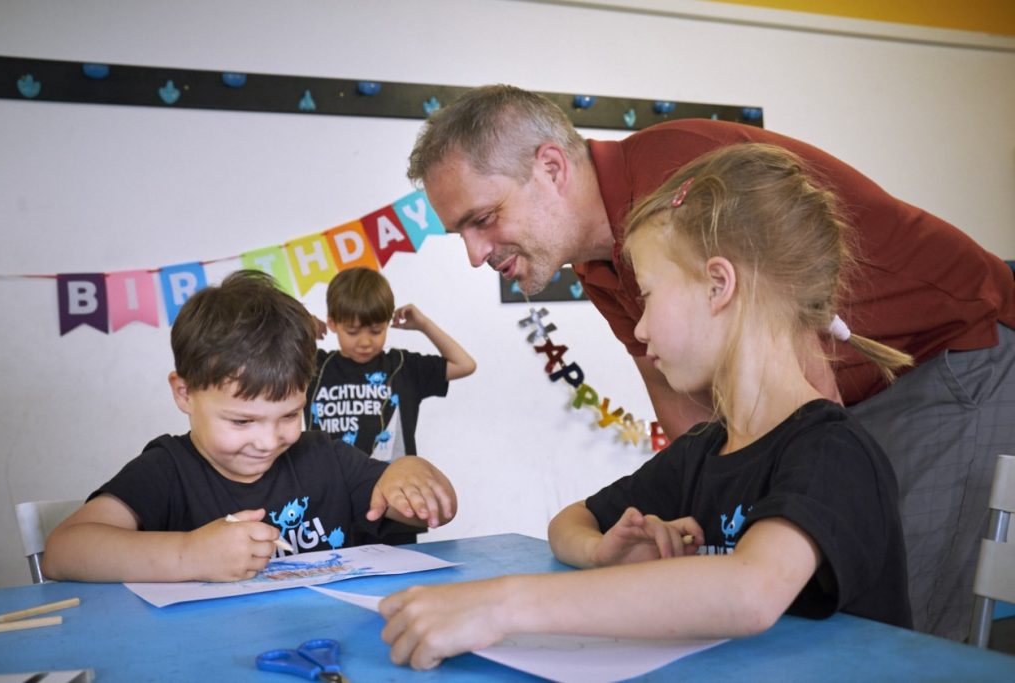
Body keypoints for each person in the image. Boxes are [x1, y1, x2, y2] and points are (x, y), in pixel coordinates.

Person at [406, 84, 1015, 640]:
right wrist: (678, 512)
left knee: (908, 624)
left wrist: (511, 606)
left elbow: (811, 399)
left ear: (551, 167)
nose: (475, 253)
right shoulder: (599, 265)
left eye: (482, 220)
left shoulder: (681, 181)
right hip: (858, 397)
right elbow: (687, 420)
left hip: (951, 348)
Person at [380, 144, 912, 669]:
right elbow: (572, 520)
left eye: (650, 294)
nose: (638, 327)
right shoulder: (706, 450)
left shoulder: (832, 451)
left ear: (718, 286)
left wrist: (504, 605)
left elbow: (752, 589)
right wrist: (602, 551)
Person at [42, 270, 457, 583]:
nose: (268, 440)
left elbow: (418, 516)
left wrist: (412, 478)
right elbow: (61, 552)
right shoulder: (167, 470)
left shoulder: (325, 456)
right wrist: (188, 555)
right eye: (242, 420)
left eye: (290, 415)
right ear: (185, 393)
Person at [308, 266, 475, 545]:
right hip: (329, 504)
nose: (364, 341)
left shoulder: (402, 366)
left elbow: (464, 364)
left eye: (376, 330)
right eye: (352, 331)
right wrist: (297, 327)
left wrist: (423, 324)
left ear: (388, 323)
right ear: (332, 323)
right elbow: (262, 360)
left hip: (394, 507)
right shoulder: (313, 366)